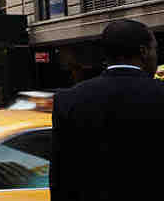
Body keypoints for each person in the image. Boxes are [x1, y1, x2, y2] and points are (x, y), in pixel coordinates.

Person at [51, 19, 164, 200]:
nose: (156, 56)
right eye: (155, 49)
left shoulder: (67, 101)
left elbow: (61, 178)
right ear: (144, 52)